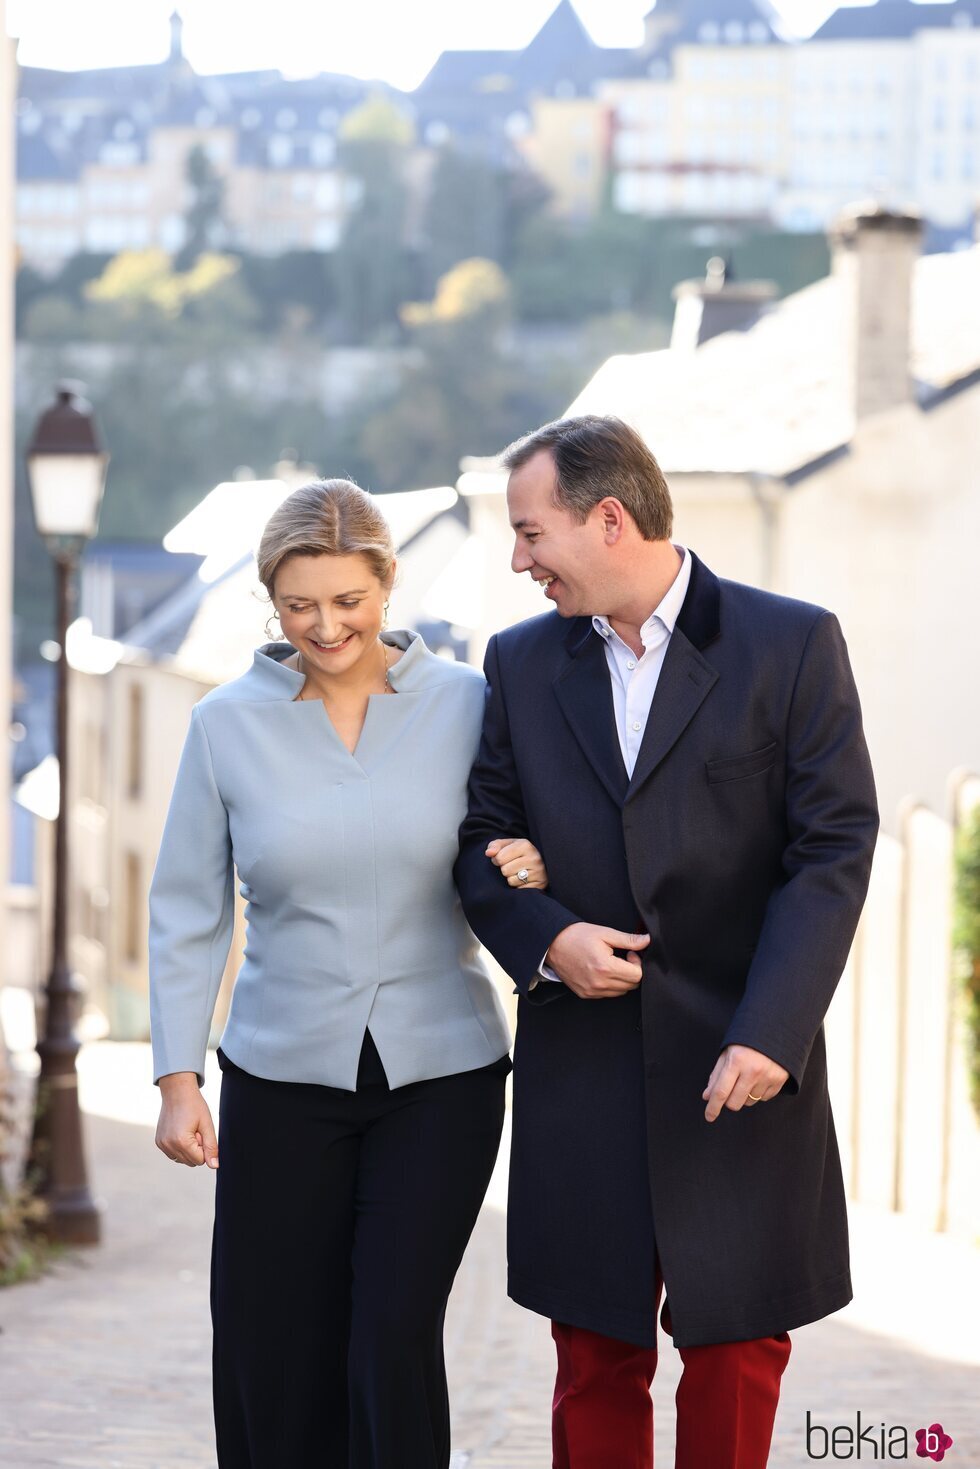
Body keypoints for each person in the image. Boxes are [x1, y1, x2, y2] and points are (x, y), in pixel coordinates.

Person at [454, 415, 879, 1469]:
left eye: (528, 531)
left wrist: (771, 1033)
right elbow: (475, 844)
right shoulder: (515, 664)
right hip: (582, 1070)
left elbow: (831, 847)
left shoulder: (790, 644)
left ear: (607, 518)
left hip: (736, 1063)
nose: (517, 560)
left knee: (737, 1352)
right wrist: (549, 939)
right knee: (592, 1356)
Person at [148, 478, 547, 1469]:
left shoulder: (467, 701)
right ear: (270, 603)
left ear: (387, 582)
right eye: (299, 604)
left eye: (347, 599)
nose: (326, 624)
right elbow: (189, 908)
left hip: (443, 1075)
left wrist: (532, 859)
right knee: (272, 1341)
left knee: (389, 1335)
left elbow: (523, 829)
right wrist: (176, 1077)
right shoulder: (224, 723)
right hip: (280, 1076)